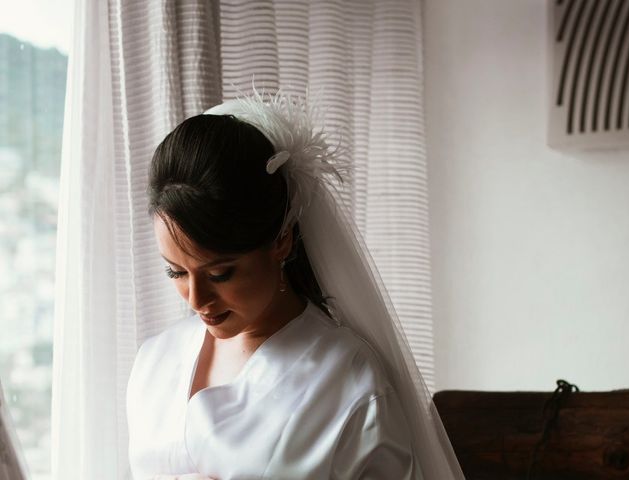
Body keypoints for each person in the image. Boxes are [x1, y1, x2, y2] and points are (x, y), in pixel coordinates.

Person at [126, 91, 464, 479]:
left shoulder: (347, 381)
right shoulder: (155, 361)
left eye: (220, 274)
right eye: (177, 273)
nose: (197, 300)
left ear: (281, 240)